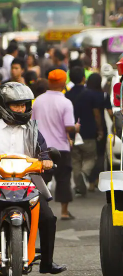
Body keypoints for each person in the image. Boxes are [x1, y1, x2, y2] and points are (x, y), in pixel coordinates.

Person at [0, 82, 67, 274]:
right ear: (4, 105)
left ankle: (46, 262)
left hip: (27, 182)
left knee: (48, 218)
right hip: (0, 182)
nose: (21, 109)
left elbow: (44, 151)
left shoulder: (32, 129)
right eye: (16, 105)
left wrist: (46, 159)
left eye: (24, 105)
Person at [31, 70, 79, 220]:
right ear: (64, 83)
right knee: (63, 179)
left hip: (41, 148)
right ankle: (64, 212)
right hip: (61, 147)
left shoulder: (38, 101)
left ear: (49, 82)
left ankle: (40, 209)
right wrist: (76, 128)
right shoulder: (65, 102)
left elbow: (32, 124)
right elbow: (69, 126)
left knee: (41, 180)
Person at [65, 69, 104, 195]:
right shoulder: (90, 94)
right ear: (83, 78)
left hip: (72, 133)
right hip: (88, 132)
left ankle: (79, 187)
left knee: (75, 160)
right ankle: (85, 172)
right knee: (90, 157)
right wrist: (100, 129)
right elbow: (96, 114)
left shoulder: (67, 95)